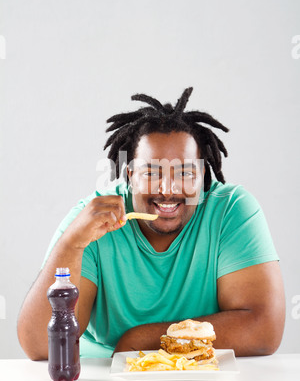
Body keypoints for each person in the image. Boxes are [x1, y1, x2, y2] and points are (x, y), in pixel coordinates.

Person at [17, 87, 285, 360]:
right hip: (104, 377)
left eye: (184, 172)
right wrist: (72, 244)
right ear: (130, 176)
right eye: (151, 172)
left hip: (203, 378)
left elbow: (263, 328)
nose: (168, 189)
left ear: (203, 175)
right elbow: (40, 346)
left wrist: (142, 340)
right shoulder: (91, 222)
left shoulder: (230, 211)